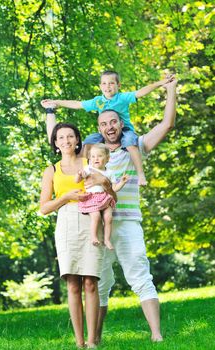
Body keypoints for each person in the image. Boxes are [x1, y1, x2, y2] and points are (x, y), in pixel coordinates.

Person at [42, 77, 177, 343]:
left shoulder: (135, 146)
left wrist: (170, 89)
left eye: (113, 121)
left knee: (140, 275)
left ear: (121, 123)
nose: (109, 127)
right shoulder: (90, 154)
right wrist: (51, 111)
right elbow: (59, 142)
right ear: (99, 128)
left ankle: (157, 335)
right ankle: (95, 340)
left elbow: (167, 124)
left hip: (126, 223)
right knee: (98, 285)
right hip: (95, 226)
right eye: (103, 123)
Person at [41, 70, 174, 186]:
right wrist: (56, 103)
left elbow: (141, 93)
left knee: (129, 142)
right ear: (100, 86)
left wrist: (161, 83)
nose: (107, 87)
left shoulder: (122, 97)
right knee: (89, 140)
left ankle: (141, 173)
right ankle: (89, 169)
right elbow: (77, 104)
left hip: (126, 132)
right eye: (104, 83)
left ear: (118, 85)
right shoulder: (98, 101)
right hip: (96, 202)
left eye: (111, 83)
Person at [40, 123, 107, 348]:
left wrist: (102, 184)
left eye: (70, 136)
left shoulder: (90, 162)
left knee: (91, 282)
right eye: (61, 137)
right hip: (66, 222)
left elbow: (108, 187)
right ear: (56, 143)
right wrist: (66, 196)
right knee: (73, 285)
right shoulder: (51, 170)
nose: (66, 140)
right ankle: (79, 343)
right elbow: (44, 207)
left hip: (91, 218)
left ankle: (92, 342)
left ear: (77, 140)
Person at [75, 143, 129, 250]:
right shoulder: (88, 169)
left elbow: (114, 189)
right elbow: (77, 180)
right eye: (93, 156)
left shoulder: (110, 172)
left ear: (107, 158)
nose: (96, 159)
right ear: (90, 158)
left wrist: (122, 182)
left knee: (108, 218)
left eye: (100, 156)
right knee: (96, 217)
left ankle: (107, 239)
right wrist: (79, 174)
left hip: (105, 198)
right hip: (92, 198)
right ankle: (93, 237)